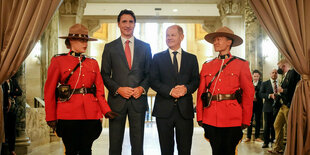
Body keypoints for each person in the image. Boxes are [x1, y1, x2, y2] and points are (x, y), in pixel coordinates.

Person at [44, 24, 118, 155]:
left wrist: (106, 110)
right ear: (71, 41)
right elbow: (49, 90)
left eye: (86, 40)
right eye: (81, 40)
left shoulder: (92, 62)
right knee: (71, 150)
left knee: (86, 150)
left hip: (90, 114)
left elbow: (99, 91)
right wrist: (50, 116)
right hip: (68, 114)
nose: (85, 44)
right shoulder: (58, 61)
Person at [196, 26, 254, 155]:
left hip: (232, 116)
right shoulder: (207, 65)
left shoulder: (241, 64)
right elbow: (201, 93)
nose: (215, 42)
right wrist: (200, 116)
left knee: (229, 151)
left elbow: (248, 94)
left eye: (219, 39)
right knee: (216, 151)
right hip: (211, 116)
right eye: (214, 40)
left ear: (229, 42)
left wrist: (246, 118)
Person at [101, 9, 152, 155]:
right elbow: (104, 74)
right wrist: (118, 89)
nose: (128, 25)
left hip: (138, 101)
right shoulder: (109, 48)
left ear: (135, 24)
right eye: (124, 21)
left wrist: (142, 88)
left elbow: (150, 74)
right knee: (115, 143)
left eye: (131, 21)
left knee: (138, 143)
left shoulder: (145, 47)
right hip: (117, 101)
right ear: (118, 24)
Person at [150, 25, 199, 155]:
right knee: (166, 150)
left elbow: (196, 81)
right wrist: (170, 91)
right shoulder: (157, 57)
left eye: (173, 35)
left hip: (185, 111)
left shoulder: (192, 58)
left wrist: (186, 89)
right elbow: (153, 81)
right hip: (163, 110)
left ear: (181, 37)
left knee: (185, 149)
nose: (169, 38)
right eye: (167, 35)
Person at [268, 59, 300, 154]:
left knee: (290, 128)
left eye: (279, 67)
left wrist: (282, 91)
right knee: (277, 125)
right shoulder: (285, 76)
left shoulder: (292, 73)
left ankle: (292, 149)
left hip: (289, 105)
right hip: (282, 106)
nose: (278, 69)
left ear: (284, 66)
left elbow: (294, 90)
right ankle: (278, 148)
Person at [2, 77, 22, 155]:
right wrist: (13, 93)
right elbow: (3, 94)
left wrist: (10, 93)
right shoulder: (2, 80)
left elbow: (20, 92)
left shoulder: (13, 80)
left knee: (12, 130)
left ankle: (12, 149)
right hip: (3, 108)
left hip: (12, 109)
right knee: (4, 129)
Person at [259, 69, 278, 148]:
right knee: (267, 126)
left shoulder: (279, 83)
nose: (274, 74)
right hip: (267, 107)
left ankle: (274, 141)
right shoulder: (265, 83)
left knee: (275, 125)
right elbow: (260, 94)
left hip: (277, 108)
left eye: (276, 73)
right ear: (270, 74)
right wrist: (269, 95)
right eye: (273, 72)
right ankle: (266, 142)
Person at [244, 70, 263, 143]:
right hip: (250, 104)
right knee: (249, 120)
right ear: (252, 76)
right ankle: (248, 137)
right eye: (254, 76)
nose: (256, 78)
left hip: (258, 104)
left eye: (257, 76)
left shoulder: (262, 84)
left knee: (258, 120)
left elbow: (261, 92)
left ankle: (257, 137)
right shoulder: (249, 83)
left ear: (259, 76)